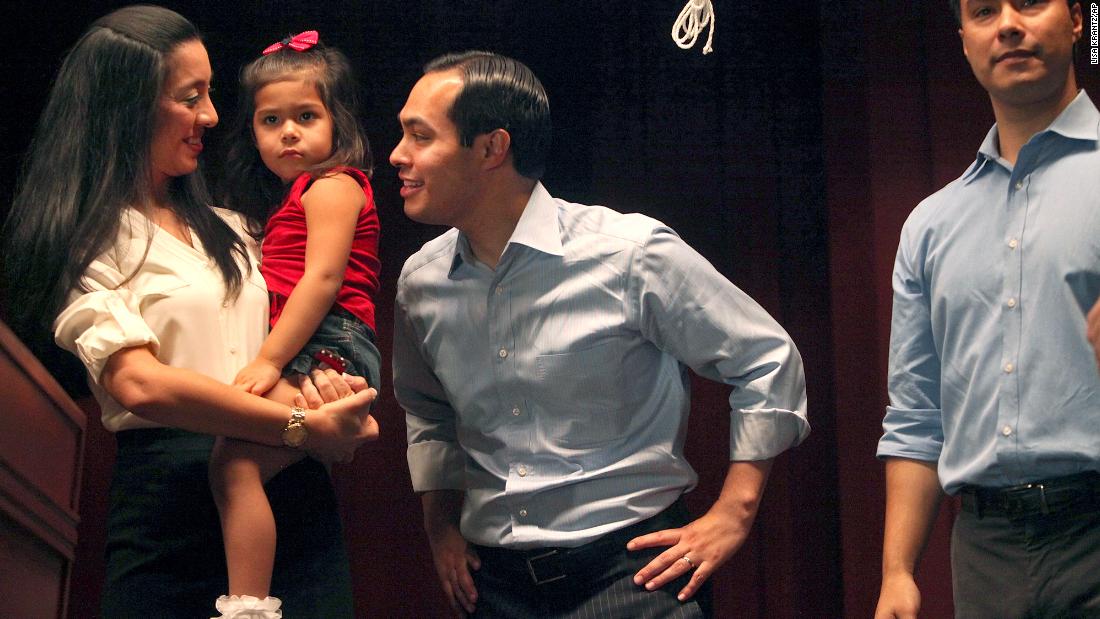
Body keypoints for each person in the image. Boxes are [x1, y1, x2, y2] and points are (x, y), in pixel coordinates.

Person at [391, 51, 808, 617]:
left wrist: (733, 513)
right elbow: (428, 414)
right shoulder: (422, 282)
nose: (398, 156)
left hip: (633, 573)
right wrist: (440, 528)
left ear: (492, 148)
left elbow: (766, 359)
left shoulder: (628, 254)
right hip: (494, 587)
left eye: (419, 136)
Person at [0, 6, 377, 618]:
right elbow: (139, 383)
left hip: (288, 491)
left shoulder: (234, 228)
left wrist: (324, 387)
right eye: (191, 96)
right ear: (129, 105)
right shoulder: (80, 238)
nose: (212, 115)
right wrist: (298, 426)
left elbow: (316, 307)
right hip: (170, 503)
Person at [875, 1, 1100, 617]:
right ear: (965, 41)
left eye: (1028, 2)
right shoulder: (929, 226)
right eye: (982, 11)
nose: (1006, 24)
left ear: (1080, 19)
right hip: (983, 549)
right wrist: (896, 573)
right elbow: (917, 415)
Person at [209, 30, 382, 617]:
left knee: (233, 462)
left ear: (338, 123)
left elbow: (322, 282)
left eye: (306, 116)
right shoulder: (295, 196)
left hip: (329, 339)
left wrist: (269, 361)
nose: (288, 132)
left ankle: (248, 608)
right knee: (236, 464)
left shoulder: (334, 185)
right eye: (270, 120)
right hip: (315, 341)